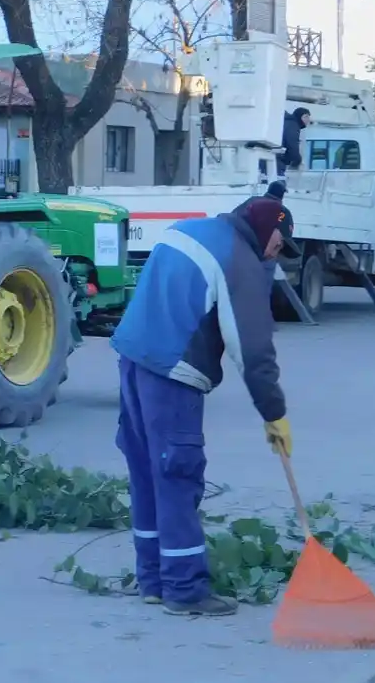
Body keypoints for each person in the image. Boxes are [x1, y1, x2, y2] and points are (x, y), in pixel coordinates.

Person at [109, 198, 294, 617]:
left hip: (132, 360)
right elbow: (253, 350)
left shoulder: (187, 230)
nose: (275, 256)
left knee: (147, 471)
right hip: (173, 372)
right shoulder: (239, 260)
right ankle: (185, 589)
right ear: (268, 230)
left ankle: (153, 580)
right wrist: (274, 414)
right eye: (279, 245)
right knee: (178, 474)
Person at [278, 108, 311, 175]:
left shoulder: (287, 122)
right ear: (299, 117)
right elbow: (292, 144)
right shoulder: (293, 125)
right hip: (278, 159)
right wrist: (297, 160)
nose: (308, 120)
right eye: (306, 117)